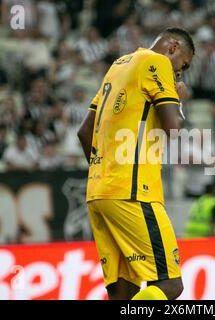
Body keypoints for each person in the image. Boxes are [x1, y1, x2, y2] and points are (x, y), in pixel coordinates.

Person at [77, 27, 194, 300]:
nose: (179, 74)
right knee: (170, 285)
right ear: (173, 47)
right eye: (183, 66)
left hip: (98, 193)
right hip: (133, 193)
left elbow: (84, 132)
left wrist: (103, 173)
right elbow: (172, 128)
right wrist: (180, 100)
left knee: (123, 294)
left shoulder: (119, 65)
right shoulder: (159, 62)